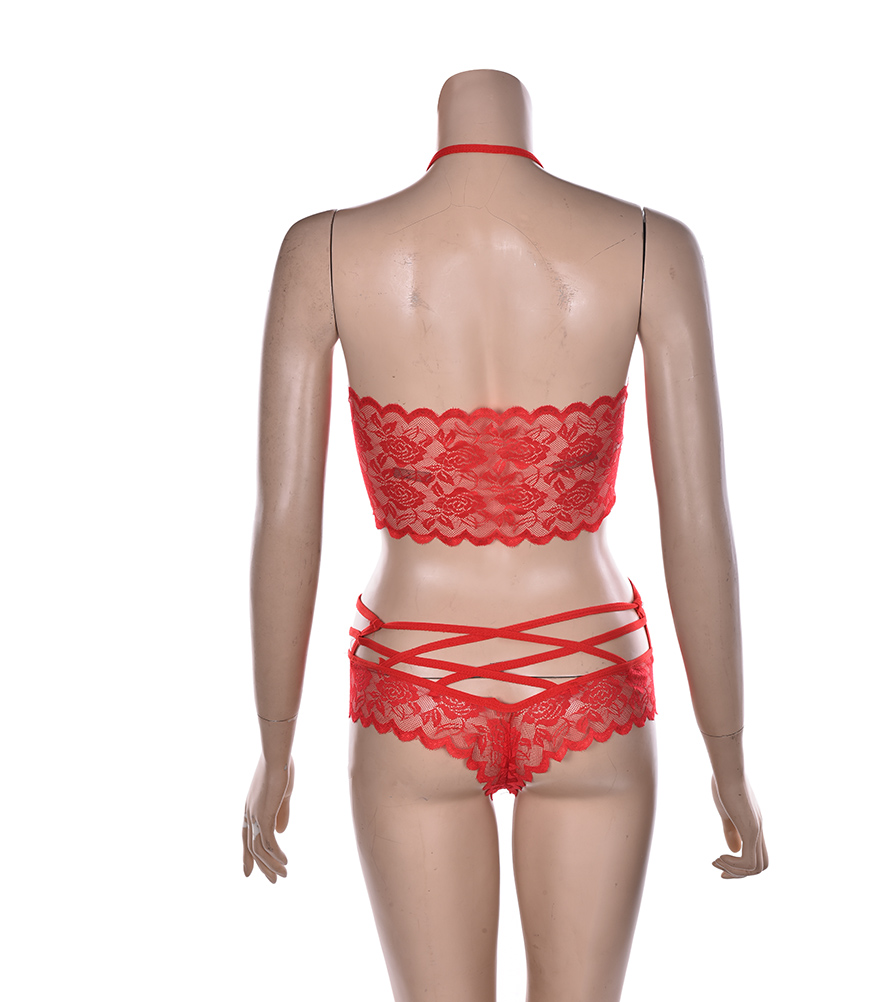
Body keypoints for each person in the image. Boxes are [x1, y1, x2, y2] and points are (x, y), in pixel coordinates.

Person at [243, 69, 767, 1002]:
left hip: (412, 676)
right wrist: (728, 757)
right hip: (591, 672)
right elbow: (700, 522)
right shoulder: (652, 247)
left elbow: (285, 517)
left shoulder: (325, 251)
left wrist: (274, 746)